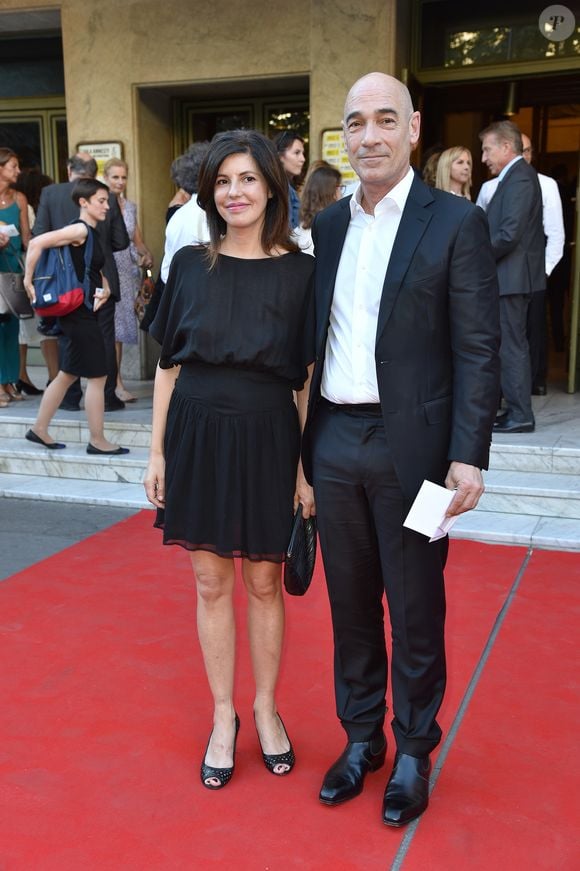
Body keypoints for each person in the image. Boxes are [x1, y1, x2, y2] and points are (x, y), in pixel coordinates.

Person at [300, 72, 500, 827]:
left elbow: (477, 347)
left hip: (415, 451)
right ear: (344, 138)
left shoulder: (454, 221)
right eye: (357, 123)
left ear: (414, 130)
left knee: (416, 605)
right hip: (336, 441)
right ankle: (362, 739)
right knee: (349, 605)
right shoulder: (330, 228)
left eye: (387, 120)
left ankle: (414, 747)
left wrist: (468, 453)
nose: (371, 135)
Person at [144, 130, 315, 791]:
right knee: (211, 582)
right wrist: (156, 450)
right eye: (223, 181)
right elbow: (167, 367)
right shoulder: (189, 263)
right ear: (209, 193)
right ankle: (224, 715)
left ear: (272, 186)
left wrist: (304, 469)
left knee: (266, 582)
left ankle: (266, 706)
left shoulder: (301, 270)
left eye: (247, 179)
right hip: (197, 434)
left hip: (272, 434)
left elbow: (304, 378)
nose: (235, 192)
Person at [22, 179, 129, 455]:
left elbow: (89, 268)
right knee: (97, 376)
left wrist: (104, 288)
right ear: (84, 202)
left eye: (107, 201)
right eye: (101, 201)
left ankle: (39, 429)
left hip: (79, 312)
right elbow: (36, 242)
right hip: (79, 315)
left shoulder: (89, 232)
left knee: (67, 374)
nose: (107, 206)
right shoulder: (79, 228)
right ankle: (97, 440)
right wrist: (28, 280)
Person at [34, 152, 130, 412]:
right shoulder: (106, 195)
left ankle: (70, 398)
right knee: (105, 339)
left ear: (68, 170)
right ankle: (108, 398)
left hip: (66, 283)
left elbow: (39, 233)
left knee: (68, 338)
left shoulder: (50, 194)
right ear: (94, 172)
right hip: (101, 280)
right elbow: (121, 242)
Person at [479, 121, 545, 434]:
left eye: (487, 149)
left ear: (506, 147)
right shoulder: (516, 176)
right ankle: (515, 410)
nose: (483, 157)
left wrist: (473, 256)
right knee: (510, 344)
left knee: (512, 346)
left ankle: (520, 414)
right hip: (510, 277)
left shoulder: (519, 177)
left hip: (512, 278)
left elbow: (508, 235)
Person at [103, 158, 154, 403]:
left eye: (124, 177)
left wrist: (146, 255)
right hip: (107, 271)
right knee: (110, 331)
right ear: (105, 178)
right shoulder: (100, 205)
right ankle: (114, 383)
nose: (120, 182)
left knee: (120, 331)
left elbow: (137, 240)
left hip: (128, 273)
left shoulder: (130, 206)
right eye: (115, 177)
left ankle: (115, 381)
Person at [521, 134, 564, 395]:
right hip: (502, 275)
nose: (523, 156)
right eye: (519, 150)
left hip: (535, 271)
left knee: (534, 330)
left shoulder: (546, 184)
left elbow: (556, 233)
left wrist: (544, 270)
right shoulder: (492, 186)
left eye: (527, 151)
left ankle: (535, 380)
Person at [13, 165, 58, 393]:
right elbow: (29, 240)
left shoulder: (21, 205)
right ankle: (53, 376)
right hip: (35, 272)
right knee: (44, 323)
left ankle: (21, 376)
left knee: (23, 327)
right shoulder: (34, 211)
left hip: (17, 271)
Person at [0, 147, 31, 406]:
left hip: (12, 270)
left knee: (11, 328)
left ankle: (9, 380)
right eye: (13, 166)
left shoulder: (19, 198)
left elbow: (26, 237)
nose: (18, 171)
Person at [293, 161, 343, 255]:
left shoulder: (297, 232)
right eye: (340, 188)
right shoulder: (328, 234)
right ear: (331, 193)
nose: (341, 194)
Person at [273, 130, 306, 228]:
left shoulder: (285, 185)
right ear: (280, 156)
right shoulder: (281, 187)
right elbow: (287, 231)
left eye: (302, 153)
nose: (303, 159)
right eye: (296, 153)